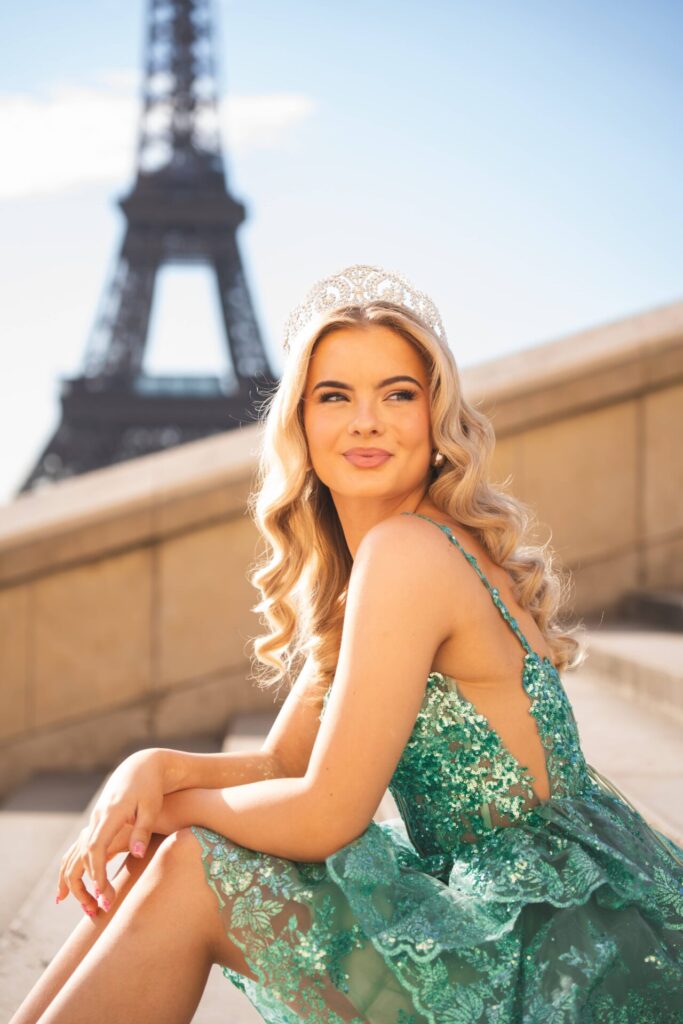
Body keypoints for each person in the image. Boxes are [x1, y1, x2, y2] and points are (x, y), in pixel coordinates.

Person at [11, 264, 683, 1024]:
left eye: (397, 394)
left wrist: (169, 811)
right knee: (177, 841)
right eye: (335, 396)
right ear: (300, 422)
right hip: (529, 927)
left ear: (436, 420)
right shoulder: (391, 558)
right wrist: (153, 770)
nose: (366, 421)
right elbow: (284, 765)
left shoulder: (409, 553)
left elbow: (326, 811)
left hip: (540, 965)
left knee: (192, 859)